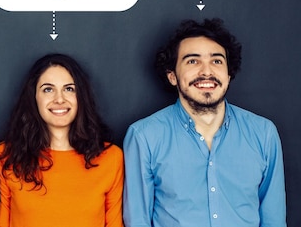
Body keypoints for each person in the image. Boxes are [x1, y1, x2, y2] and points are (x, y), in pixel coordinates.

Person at [123, 18, 287, 227]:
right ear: (172, 76)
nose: (206, 71)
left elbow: (274, 220)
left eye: (217, 61)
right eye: (193, 61)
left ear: (228, 74)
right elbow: (138, 221)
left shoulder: (263, 133)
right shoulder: (144, 136)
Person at [0, 53, 124, 227]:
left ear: (81, 97)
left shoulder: (111, 158)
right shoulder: (7, 156)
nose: (60, 98)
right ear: (34, 97)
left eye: (69, 89)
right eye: (48, 89)